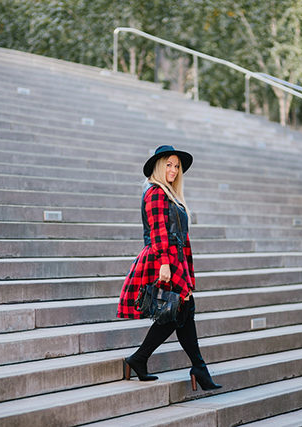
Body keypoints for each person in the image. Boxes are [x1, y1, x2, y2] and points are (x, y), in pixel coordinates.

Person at [116, 145, 222, 391]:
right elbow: (158, 231)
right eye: (169, 164)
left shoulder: (169, 194)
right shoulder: (155, 193)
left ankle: (144, 359)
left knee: (183, 310)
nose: (173, 169)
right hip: (165, 259)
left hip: (176, 258)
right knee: (179, 309)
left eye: (176, 166)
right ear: (158, 166)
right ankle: (194, 367)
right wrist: (165, 263)